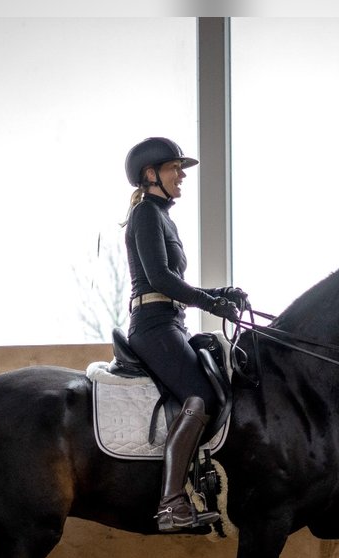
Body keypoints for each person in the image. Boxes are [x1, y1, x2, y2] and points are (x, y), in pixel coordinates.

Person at [122, 136, 247, 533]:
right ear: (150, 174)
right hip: (153, 325)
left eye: (180, 169)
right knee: (202, 395)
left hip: (171, 321)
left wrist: (218, 293)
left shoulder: (163, 217)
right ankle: (172, 504)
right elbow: (159, 278)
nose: (182, 176)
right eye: (175, 168)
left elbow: (174, 280)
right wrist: (210, 304)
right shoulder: (145, 214)